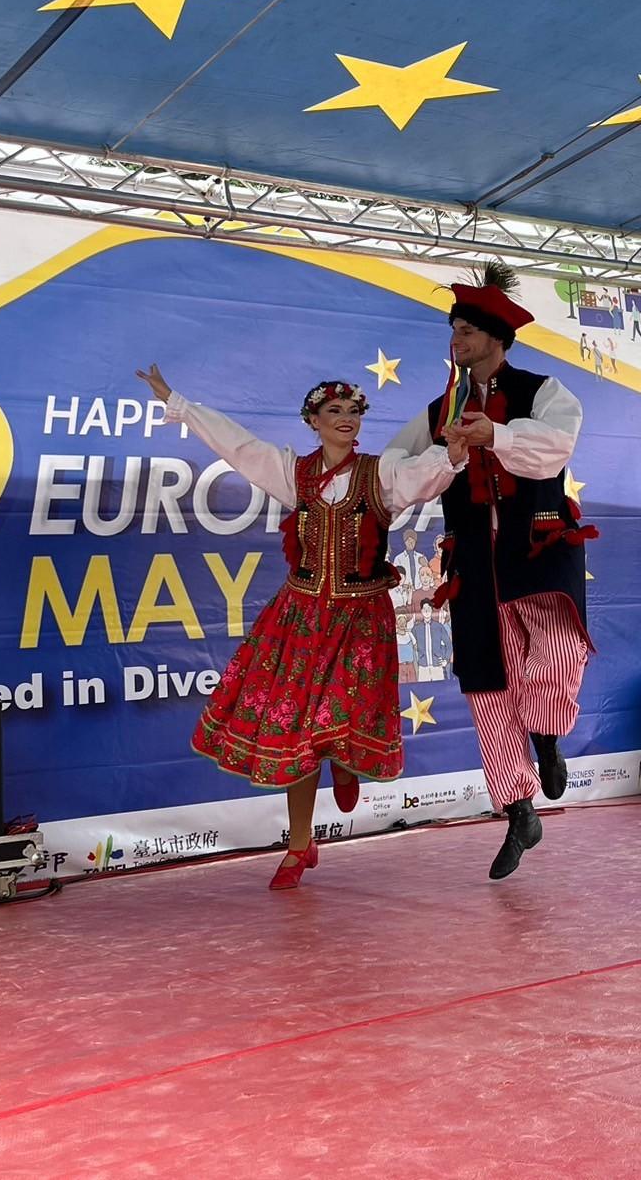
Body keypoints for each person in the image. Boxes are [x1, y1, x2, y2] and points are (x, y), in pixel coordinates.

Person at [134, 362, 467, 890]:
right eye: (334, 410)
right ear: (313, 420)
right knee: (299, 734)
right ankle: (299, 844)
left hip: (360, 617)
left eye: (353, 411)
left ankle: (345, 763)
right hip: (303, 616)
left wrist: (453, 453)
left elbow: (422, 478)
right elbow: (239, 447)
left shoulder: (379, 474)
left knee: (332, 717)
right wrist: (178, 403)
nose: (346, 418)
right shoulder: (295, 473)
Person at [387, 261, 595, 880]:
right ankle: (518, 811)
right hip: (474, 562)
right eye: (453, 329)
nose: (456, 339)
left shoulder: (541, 390)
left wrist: (496, 435)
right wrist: (441, 458)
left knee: (557, 652)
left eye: (467, 330)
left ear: (496, 339)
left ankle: (548, 739)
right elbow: (396, 468)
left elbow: (555, 447)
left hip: (539, 548)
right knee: (486, 684)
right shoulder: (439, 410)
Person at [412, 599, 450, 681]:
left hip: (437, 666)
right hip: (423, 667)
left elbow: (449, 645)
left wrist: (446, 660)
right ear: (421, 611)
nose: (426, 611)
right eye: (424, 609)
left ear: (432, 610)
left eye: (428, 609)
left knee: (439, 688)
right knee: (423, 689)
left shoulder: (439, 627)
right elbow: (411, 646)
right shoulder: (416, 629)